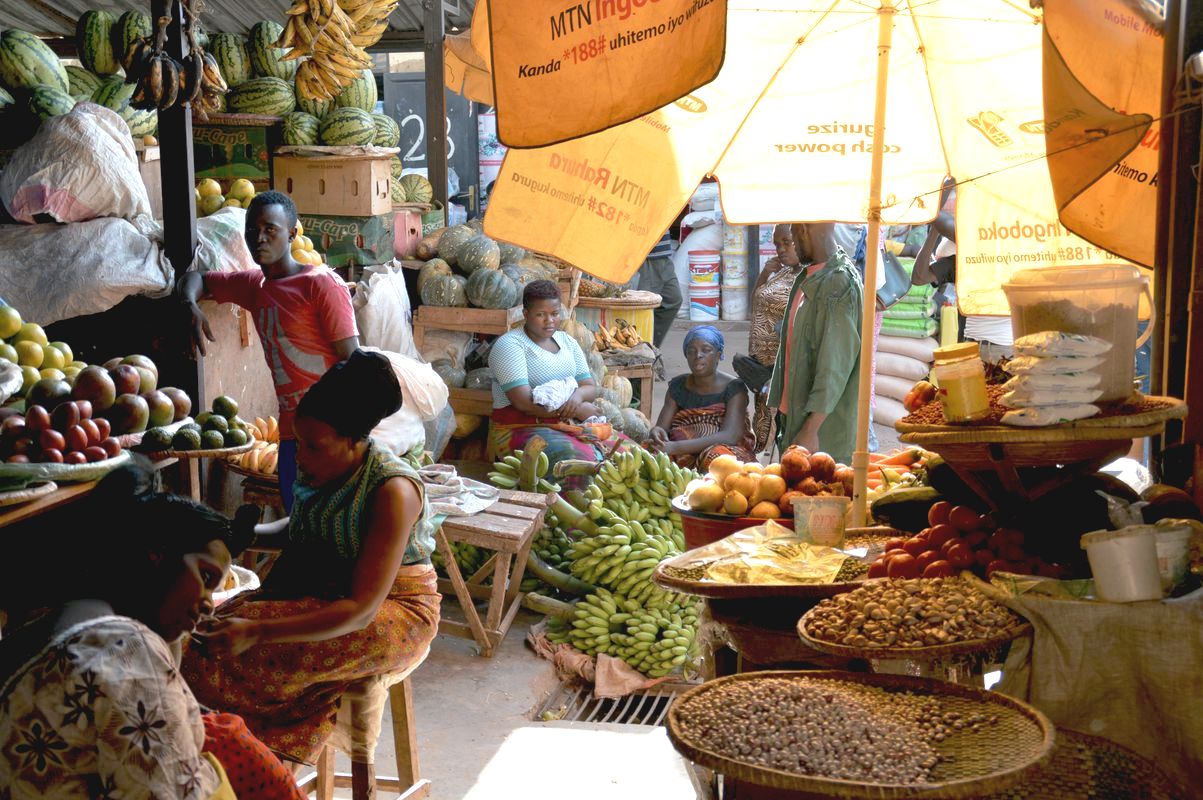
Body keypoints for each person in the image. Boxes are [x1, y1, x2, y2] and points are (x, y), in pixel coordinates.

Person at [182, 350, 440, 766]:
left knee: (252, 652)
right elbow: (303, 531)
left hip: (393, 609)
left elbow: (359, 610)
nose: (300, 457)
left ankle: (254, 762)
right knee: (203, 636)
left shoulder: (393, 491)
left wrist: (257, 632)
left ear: (355, 440)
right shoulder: (318, 466)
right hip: (324, 589)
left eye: (314, 446)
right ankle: (223, 752)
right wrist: (239, 536)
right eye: (298, 443)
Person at [0, 462, 305, 800]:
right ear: (157, 554)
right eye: (204, 578)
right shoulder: (126, 651)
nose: (207, 604)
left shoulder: (73, 616)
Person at [179, 191, 360, 511]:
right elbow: (196, 278)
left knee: (334, 534)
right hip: (292, 439)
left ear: (292, 234)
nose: (259, 238)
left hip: (333, 438)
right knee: (300, 530)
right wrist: (189, 304)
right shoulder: (254, 286)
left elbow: (356, 366)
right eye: (252, 231)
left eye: (270, 229)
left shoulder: (321, 285)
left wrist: (348, 438)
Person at [488, 279, 626, 472]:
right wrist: (576, 410)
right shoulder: (510, 345)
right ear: (525, 314)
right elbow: (524, 403)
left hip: (567, 422)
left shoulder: (567, 341)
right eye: (540, 315)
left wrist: (577, 398)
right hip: (519, 428)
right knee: (581, 462)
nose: (549, 321)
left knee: (626, 453)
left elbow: (589, 387)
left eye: (554, 314)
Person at [768, 223, 864, 465]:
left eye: (791, 234)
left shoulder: (837, 283)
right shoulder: (810, 275)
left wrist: (811, 428)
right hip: (795, 420)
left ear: (803, 230)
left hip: (819, 437)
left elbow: (835, 365)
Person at [648, 325, 755, 470]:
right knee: (648, 452)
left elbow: (731, 435)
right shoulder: (678, 386)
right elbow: (662, 428)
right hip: (681, 446)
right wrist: (657, 432)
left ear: (718, 355)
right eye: (691, 351)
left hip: (719, 447)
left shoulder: (734, 388)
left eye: (706, 350)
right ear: (686, 355)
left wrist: (676, 447)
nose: (698, 355)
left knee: (717, 458)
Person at [742, 223, 809, 451]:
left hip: (779, 365)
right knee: (762, 420)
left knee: (780, 424)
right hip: (761, 361)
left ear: (801, 240)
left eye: (787, 243)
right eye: (777, 244)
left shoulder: (808, 276)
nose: (781, 249)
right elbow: (756, 302)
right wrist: (764, 273)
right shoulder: (781, 271)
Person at [633, 230, 683, 349]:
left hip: (663, 253)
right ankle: (641, 351)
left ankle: (650, 348)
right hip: (647, 255)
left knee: (673, 300)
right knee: (643, 308)